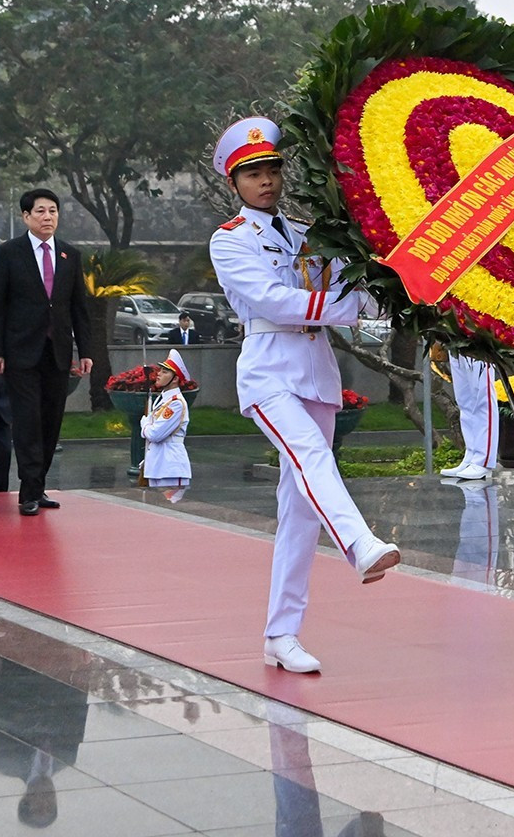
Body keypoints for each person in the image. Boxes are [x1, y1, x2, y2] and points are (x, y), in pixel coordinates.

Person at [209, 116, 400, 674]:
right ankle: (359, 544)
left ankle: (281, 634)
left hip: (315, 371)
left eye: (271, 169)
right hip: (269, 370)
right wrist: (348, 308)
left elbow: (351, 288)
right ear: (234, 182)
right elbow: (273, 300)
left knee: (299, 510)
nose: (265, 181)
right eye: (252, 174)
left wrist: (386, 290)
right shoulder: (230, 239)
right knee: (312, 456)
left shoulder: (307, 231)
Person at [0, 188, 92, 515]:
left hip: (57, 351)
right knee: (27, 420)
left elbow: (78, 307)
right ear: (26, 216)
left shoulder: (70, 255)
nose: (47, 217)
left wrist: (85, 350)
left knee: (51, 421)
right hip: (21, 352)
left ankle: (38, 485)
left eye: (52, 211)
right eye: (40, 211)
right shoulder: (9, 253)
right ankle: (28, 490)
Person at [439, 350, 499, 482]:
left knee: (483, 399)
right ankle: (471, 456)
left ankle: (483, 460)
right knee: (464, 401)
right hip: (455, 343)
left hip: (478, 343)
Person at [141, 350, 193, 494]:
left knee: (172, 504)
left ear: (175, 379)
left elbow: (155, 434)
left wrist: (144, 424)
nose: (158, 374)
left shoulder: (175, 403)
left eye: (165, 372)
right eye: (160, 370)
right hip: (157, 465)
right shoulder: (163, 399)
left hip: (171, 466)